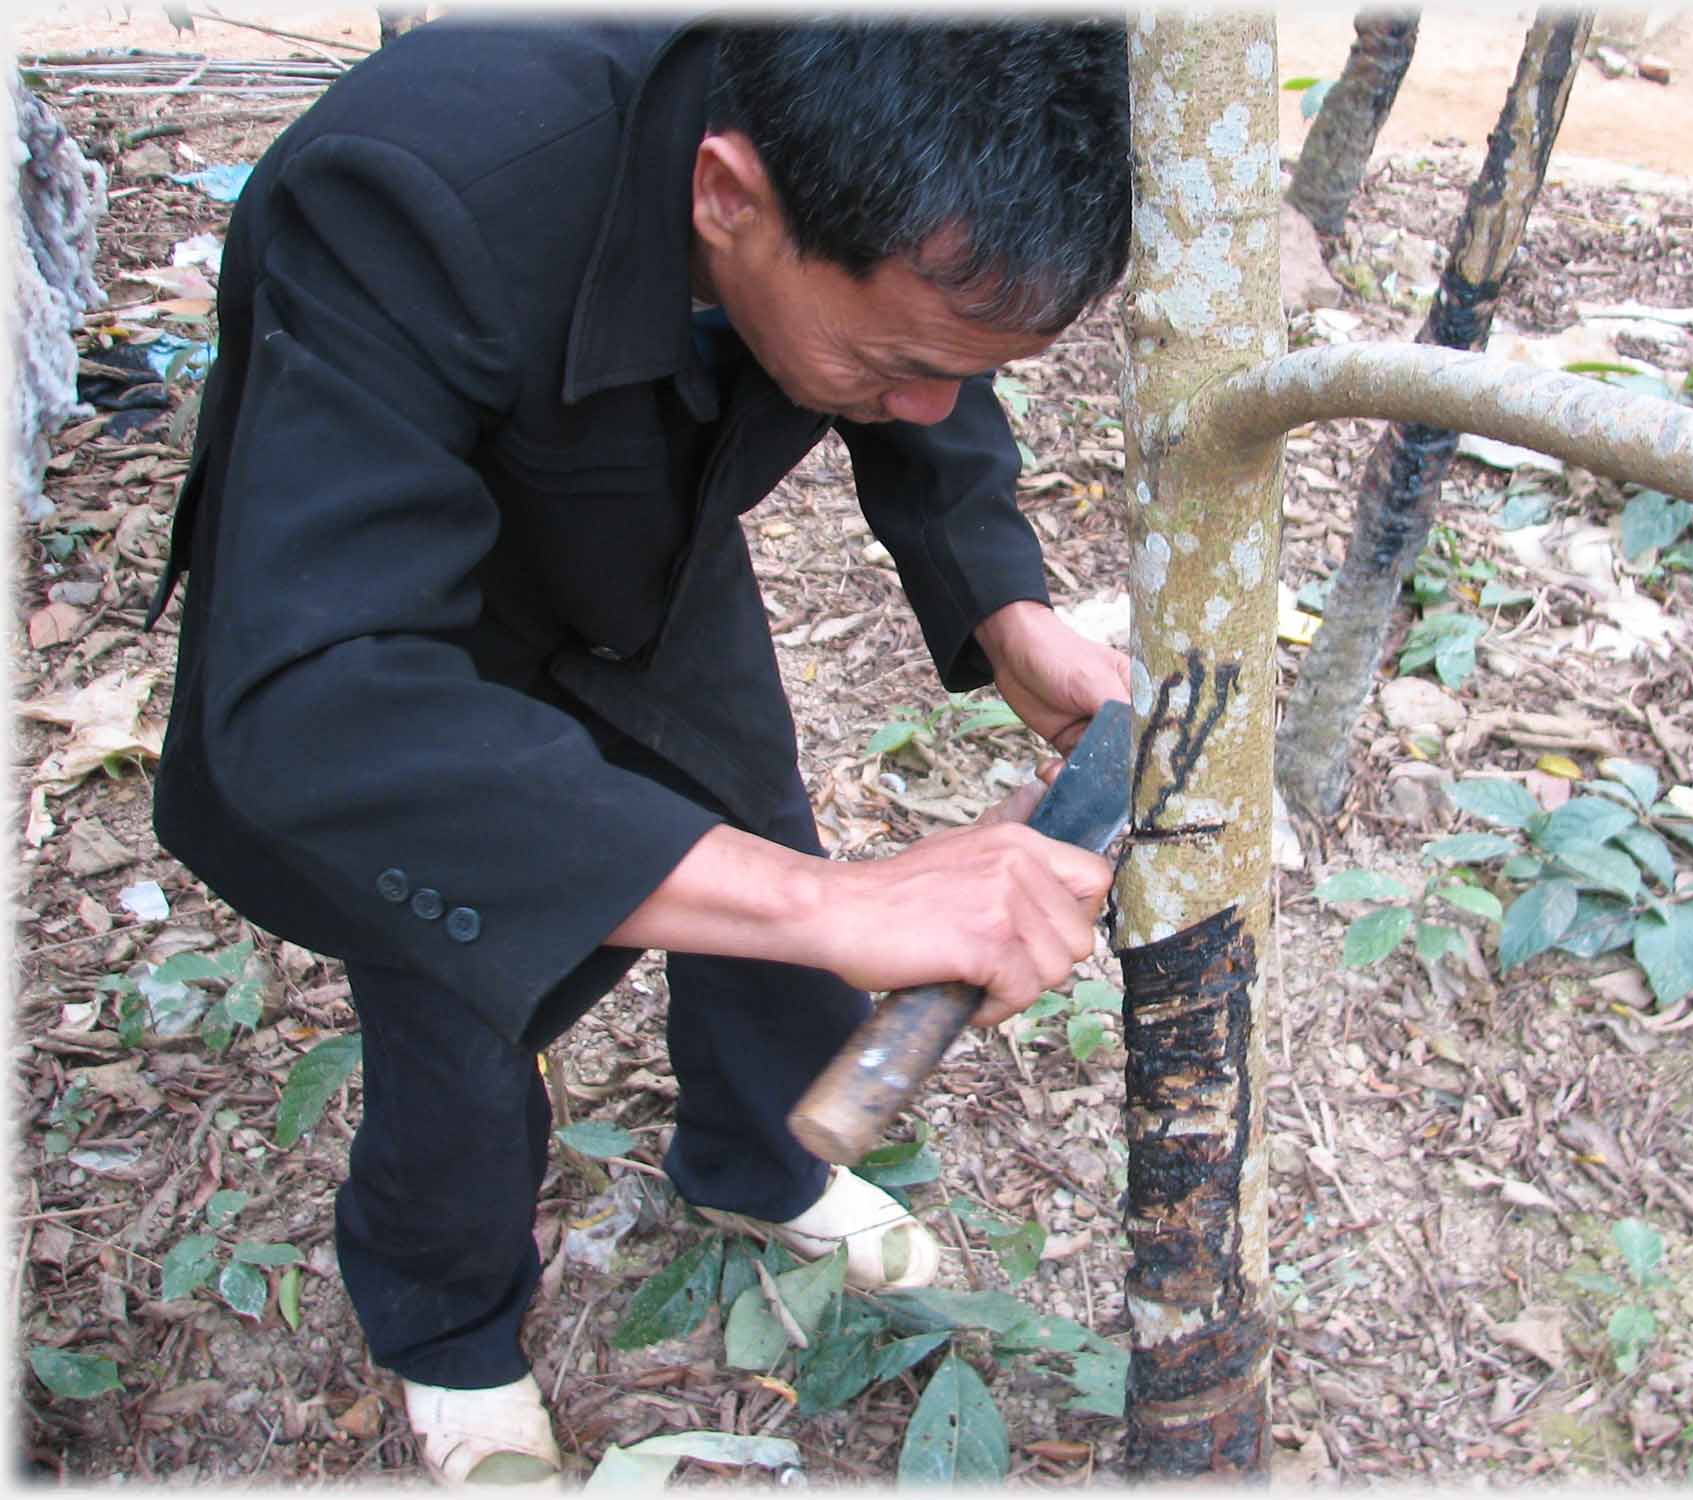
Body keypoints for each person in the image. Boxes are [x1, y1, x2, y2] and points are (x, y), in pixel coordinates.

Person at [145, 11, 1131, 1484]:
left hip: (641, 544)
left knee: (753, 818)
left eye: (959, 364)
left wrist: (1002, 602)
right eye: (894, 360)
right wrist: (837, 906)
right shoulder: (410, 197)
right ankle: (448, 1327)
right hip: (409, 626)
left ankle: (765, 1164)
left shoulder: (869, 154)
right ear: (728, 197)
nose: (932, 395)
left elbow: (942, 355)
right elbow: (323, 693)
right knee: (461, 1002)